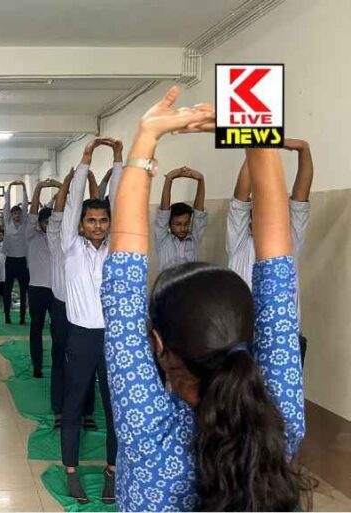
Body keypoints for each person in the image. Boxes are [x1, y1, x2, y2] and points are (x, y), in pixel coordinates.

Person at [103, 86, 311, 510]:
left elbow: (277, 280)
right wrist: (256, 132)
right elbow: (277, 276)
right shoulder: (274, 421)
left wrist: (146, 138)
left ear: (158, 344)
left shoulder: (150, 431)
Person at [59, 137, 121, 505]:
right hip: (80, 338)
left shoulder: (117, 247)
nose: (97, 226)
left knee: (115, 408)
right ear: (81, 224)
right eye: (91, 220)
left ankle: (112, 472)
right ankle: (71, 472)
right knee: (74, 404)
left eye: (102, 221)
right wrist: (86, 159)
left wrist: (117, 159)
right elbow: (71, 202)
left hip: (112, 340)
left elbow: (124, 201)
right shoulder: (71, 245)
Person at [227, 139, 313, 364]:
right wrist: (258, 146)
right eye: (260, 212)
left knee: (279, 400)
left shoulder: (289, 240)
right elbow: (240, 197)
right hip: (240, 339)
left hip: (285, 340)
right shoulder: (239, 242)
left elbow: (301, 195)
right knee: (238, 399)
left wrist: (303, 149)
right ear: (250, 219)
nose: (268, 216)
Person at [47, 167, 101, 429]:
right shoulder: (57, 237)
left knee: (88, 364)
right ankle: (60, 409)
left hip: (86, 313)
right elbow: (60, 213)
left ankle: (87, 411)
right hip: (61, 308)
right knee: (60, 359)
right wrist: (67, 184)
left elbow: (99, 208)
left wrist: (91, 182)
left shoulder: (88, 246)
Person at [26, 179, 61, 378]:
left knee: (57, 330)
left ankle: (58, 363)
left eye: (51, 222)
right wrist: (38, 188)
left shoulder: (59, 238)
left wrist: (62, 188)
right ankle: (37, 364)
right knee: (36, 328)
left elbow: (63, 213)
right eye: (45, 222)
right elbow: (32, 215)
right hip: (37, 289)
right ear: (40, 224)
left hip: (56, 290)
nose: (48, 225)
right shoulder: (32, 236)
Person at [154, 166, 207, 271]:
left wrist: (201, 180)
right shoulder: (163, 240)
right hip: (168, 286)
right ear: (169, 224)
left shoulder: (194, 239)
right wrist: (169, 178)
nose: (182, 228)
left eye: (186, 224)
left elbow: (199, 213)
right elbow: (164, 212)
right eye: (177, 224)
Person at [2, 180, 30, 324]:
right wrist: (10, 187)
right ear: (11, 215)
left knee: (24, 291)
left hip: (23, 261)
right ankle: (7, 315)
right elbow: (6, 205)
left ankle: (22, 317)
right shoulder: (7, 223)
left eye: (19, 213)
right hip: (11, 261)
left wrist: (24, 187)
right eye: (15, 214)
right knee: (7, 290)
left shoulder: (25, 223)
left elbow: (25, 205)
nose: (17, 216)